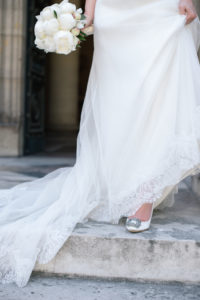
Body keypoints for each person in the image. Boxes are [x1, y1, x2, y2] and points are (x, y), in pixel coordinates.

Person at [0, 0, 200, 287]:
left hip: (158, 7)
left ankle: (145, 194)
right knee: (118, 100)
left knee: (159, 90)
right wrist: (89, 12)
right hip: (115, 11)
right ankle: (127, 183)